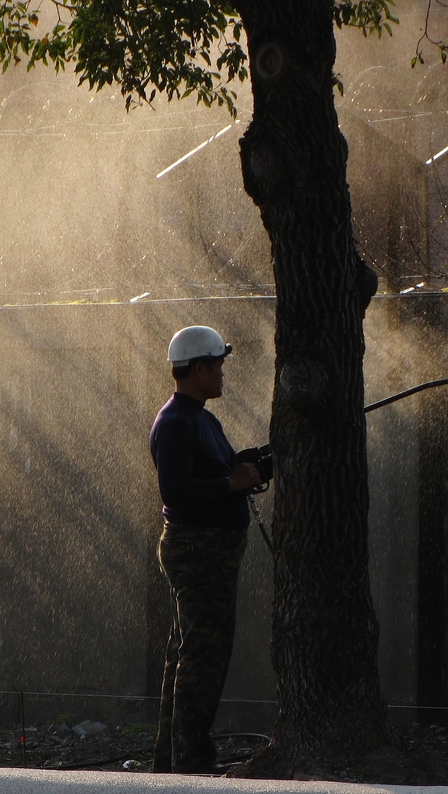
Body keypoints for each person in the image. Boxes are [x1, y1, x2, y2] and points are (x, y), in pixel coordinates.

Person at [149, 325, 262, 774]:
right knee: (203, 656)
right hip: (198, 553)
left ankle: (168, 759)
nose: (222, 374)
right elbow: (176, 492)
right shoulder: (177, 422)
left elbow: (214, 470)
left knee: (188, 652)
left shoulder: (199, 417)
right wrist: (231, 483)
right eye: (217, 366)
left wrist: (246, 466)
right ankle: (191, 759)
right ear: (197, 369)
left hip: (207, 552)